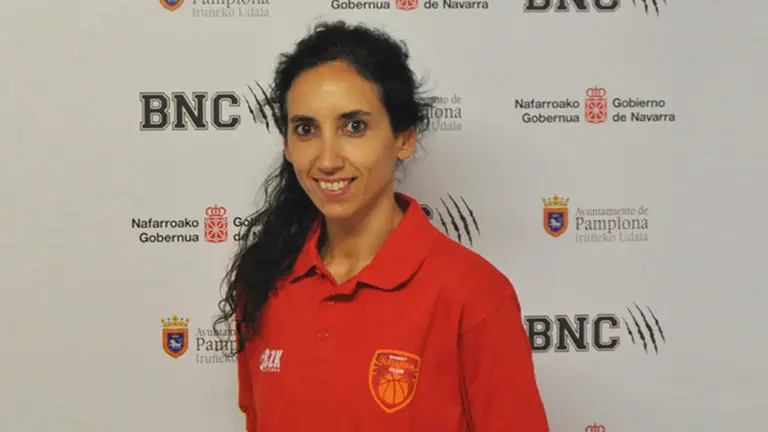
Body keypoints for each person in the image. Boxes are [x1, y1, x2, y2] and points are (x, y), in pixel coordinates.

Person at [214, 20, 549, 432]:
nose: (328, 159)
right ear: (286, 144)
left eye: (354, 126)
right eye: (306, 129)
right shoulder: (262, 280)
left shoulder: (475, 294)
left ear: (403, 138)